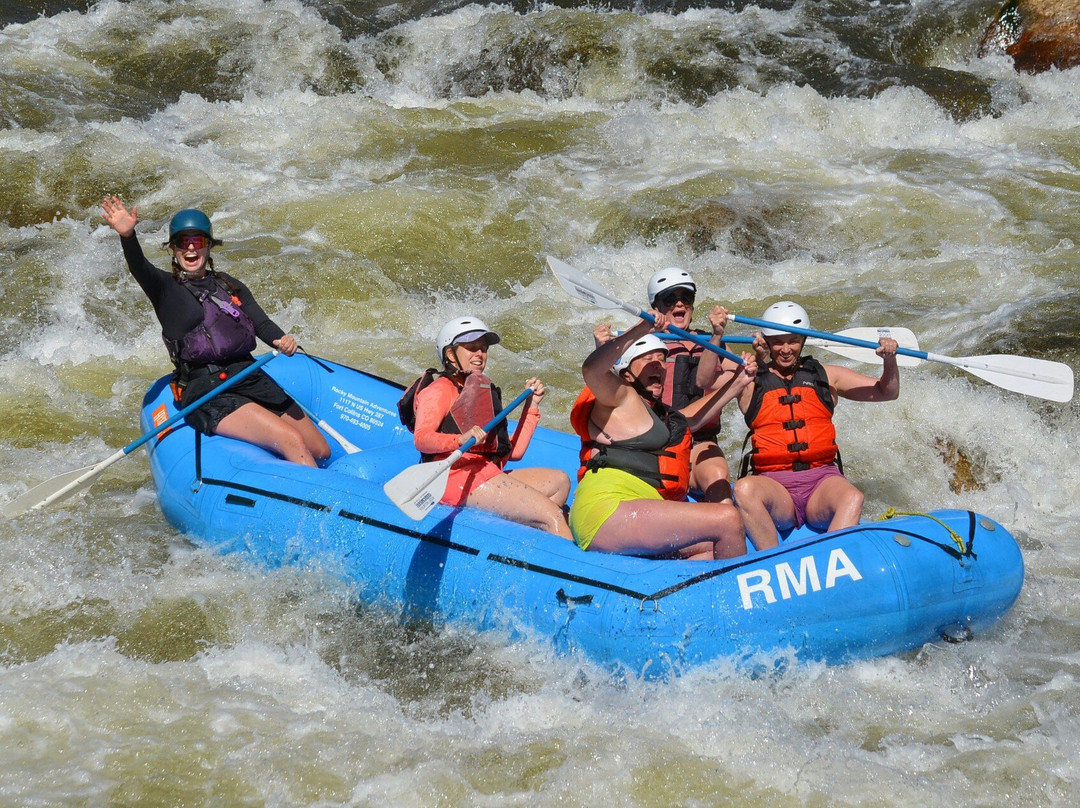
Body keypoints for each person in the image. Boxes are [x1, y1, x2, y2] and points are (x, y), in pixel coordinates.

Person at [101, 197, 330, 467]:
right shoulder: (166, 290)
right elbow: (139, 267)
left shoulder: (229, 285)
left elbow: (262, 324)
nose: (190, 248)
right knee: (291, 440)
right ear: (173, 249)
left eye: (197, 242)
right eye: (182, 242)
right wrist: (128, 236)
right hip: (208, 389)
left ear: (208, 246)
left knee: (321, 450)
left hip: (248, 377)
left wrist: (281, 339)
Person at [569, 314, 757, 560]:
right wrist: (643, 328)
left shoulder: (659, 414)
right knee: (728, 519)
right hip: (607, 510)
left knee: (710, 549)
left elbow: (692, 419)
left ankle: (694, 598)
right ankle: (737, 596)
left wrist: (738, 382)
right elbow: (592, 369)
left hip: (642, 510)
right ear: (625, 371)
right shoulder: (618, 398)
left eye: (661, 359)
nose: (658, 364)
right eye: (648, 360)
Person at [729, 301, 899, 549]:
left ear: (804, 340)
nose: (786, 349)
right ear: (766, 342)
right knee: (744, 489)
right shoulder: (748, 380)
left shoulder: (827, 376)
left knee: (853, 497)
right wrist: (725, 338)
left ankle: (829, 561)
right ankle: (773, 561)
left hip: (821, 483)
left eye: (794, 341)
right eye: (778, 341)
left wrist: (889, 360)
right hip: (776, 488)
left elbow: (887, 392)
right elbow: (706, 380)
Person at [401, 316, 572, 538]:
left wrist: (532, 406)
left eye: (483, 348)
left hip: (485, 472)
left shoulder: (479, 391)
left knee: (559, 482)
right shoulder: (440, 390)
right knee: (552, 515)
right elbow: (421, 439)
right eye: (471, 348)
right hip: (455, 478)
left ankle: (522, 541)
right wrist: (459, 440)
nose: (479, 354)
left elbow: (515, 452)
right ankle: (571, 566)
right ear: (450, 355)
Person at [643, 267, 746, 504]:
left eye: (685, 298)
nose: (679, 304)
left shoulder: (710, 342)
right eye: (670, 299)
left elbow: (743, 375)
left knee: (718, 476)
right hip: (657, 442)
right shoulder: (646, 343)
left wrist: (761, 353)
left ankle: (725, 522)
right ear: (656, 306)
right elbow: (611, 379)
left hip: (700, 441)